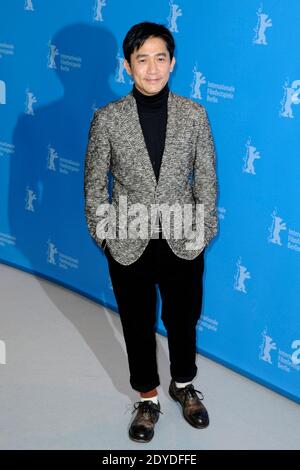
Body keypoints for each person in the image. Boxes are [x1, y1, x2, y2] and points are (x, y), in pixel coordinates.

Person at [84, 21, 218, 443]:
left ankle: (183, 384)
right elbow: (94, 186)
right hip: (127, 241)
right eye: (143, 59)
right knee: (137, 323)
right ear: (128, 66)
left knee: (183, 318)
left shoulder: (195, 114)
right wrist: (105, 236)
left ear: (173, 63)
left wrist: (203, 231)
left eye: (161, 58)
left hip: (183, 237)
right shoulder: (107, 119)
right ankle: (148, 398)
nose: (153, 67)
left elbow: (207, 181)